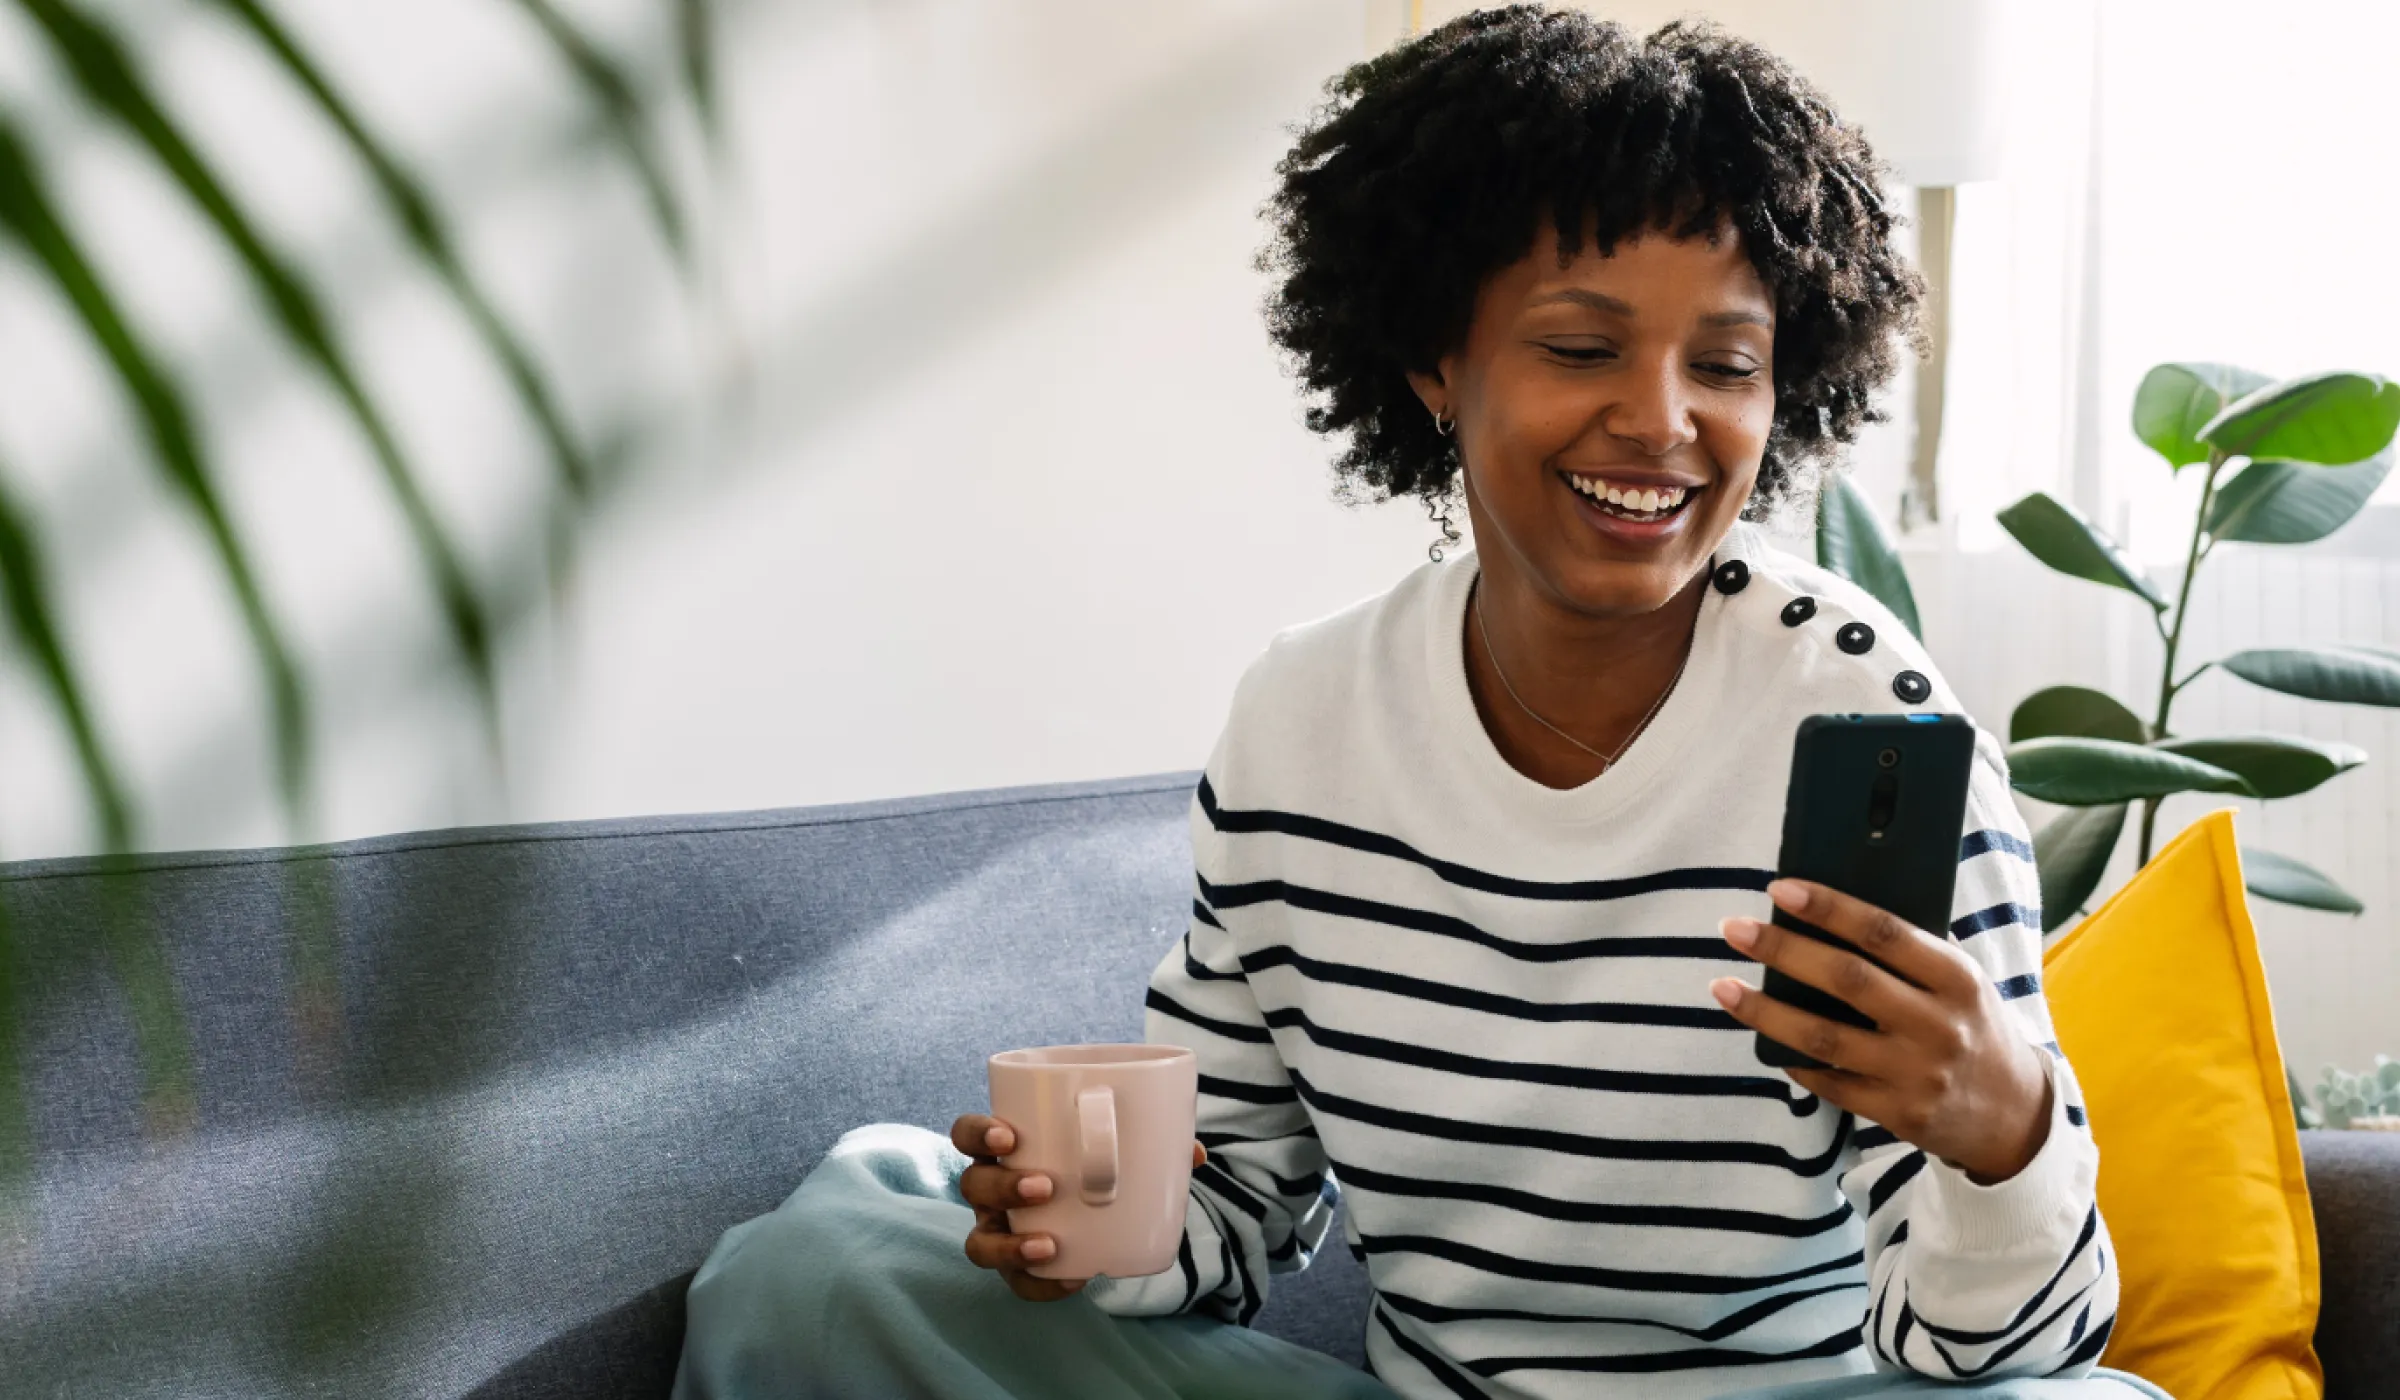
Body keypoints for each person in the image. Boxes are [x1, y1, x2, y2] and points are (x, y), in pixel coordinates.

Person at [674, 8, 2171, 1398]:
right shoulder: (1302, 722)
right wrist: (1083, 1227)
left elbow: (2007, 1352)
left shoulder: (1863, 719)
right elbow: (1238, 1211)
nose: (1661, 419)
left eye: (1726, 364)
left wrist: (2002, 1133)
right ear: (1434, 362)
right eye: (1580, 347)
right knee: (833, 1257)